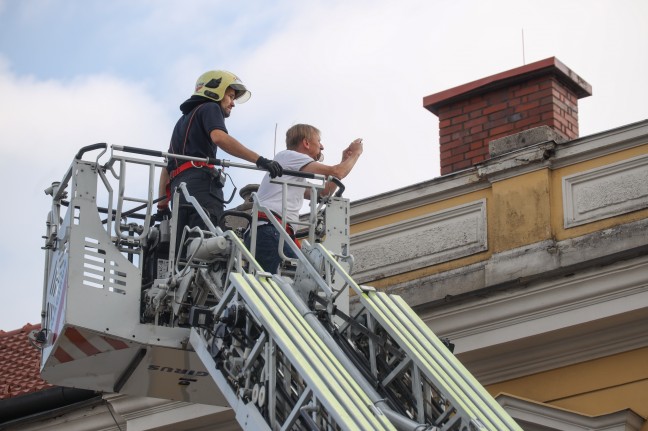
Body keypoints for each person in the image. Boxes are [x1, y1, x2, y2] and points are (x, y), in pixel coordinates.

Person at [156, 70, 282, 252]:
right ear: (215, 91)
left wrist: (162, 206)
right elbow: (219, 138)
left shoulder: (182, 122)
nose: (233, 103)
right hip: (201, 186)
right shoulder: (210, 108)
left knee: (183, 249)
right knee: (205, 244)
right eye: (230, 96)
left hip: (179, 191)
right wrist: (260, 160)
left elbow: (167, 167)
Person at [247, 123, 363, 273]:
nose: (322, 147)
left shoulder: (292, 173)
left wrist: (344, 160)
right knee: (305, 277)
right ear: (306, 143)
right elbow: (337, 173)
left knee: (300, 278)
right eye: (319, 141)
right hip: (270, 229)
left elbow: (325, 192)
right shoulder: (289, 156)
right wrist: (356, 154)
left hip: (270, 231)